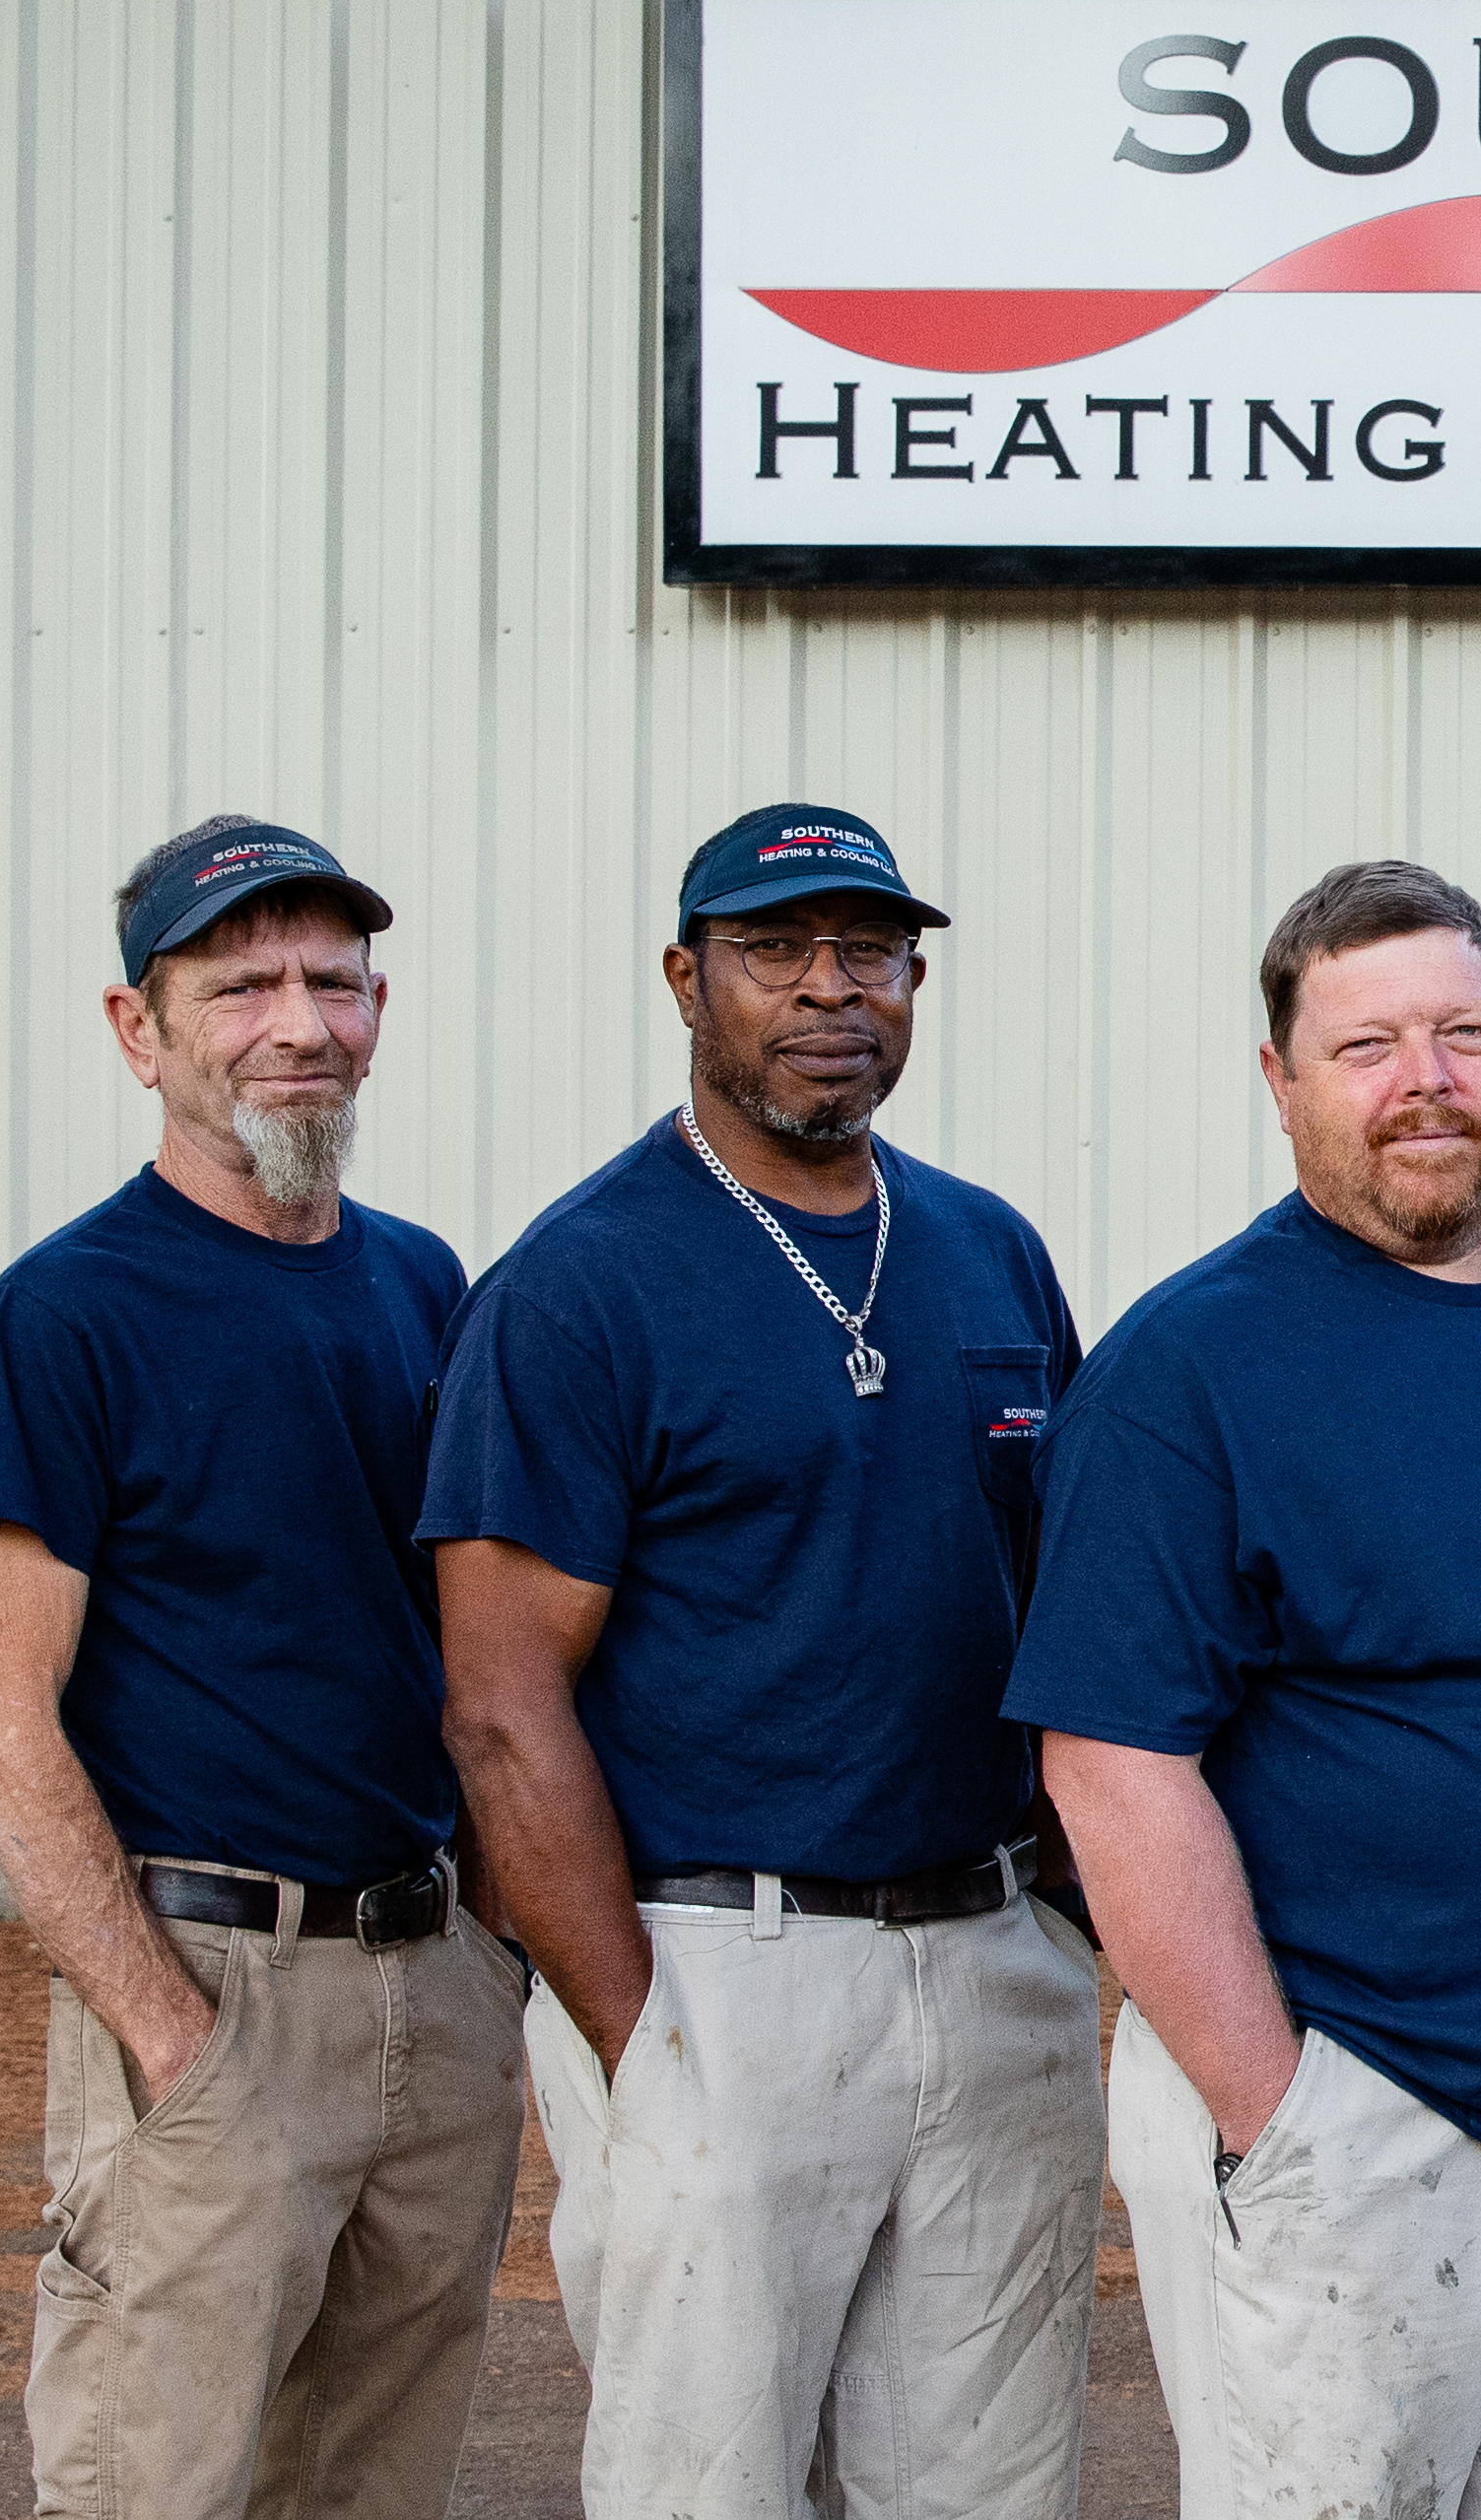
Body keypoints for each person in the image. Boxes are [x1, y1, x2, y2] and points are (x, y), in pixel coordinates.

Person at [1009, 859, 1481, 2519]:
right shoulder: (1188, 1372)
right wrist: (1275, 2122)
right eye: (1366, 1046)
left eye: (1463, 1033)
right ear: (1279, 1083)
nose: (1426, 1080)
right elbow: (1114, 1768)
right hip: (1370, 2105)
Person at [425, 803, 1100, 2520]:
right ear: (686, 978)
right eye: (774, 951)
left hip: (989, 1955)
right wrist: (638, 2049)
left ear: (916, 979)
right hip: (718, 1960)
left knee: (988, 2487)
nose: (828, 991)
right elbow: (503, 1710)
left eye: (868, 951)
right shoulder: (581, 1288)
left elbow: (1070, 1622)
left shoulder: (988, 1251)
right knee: (707, 2490)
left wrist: (1077, 1941)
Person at [0, 815, 523, 2519]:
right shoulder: (68, 1314)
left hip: (435, 1993)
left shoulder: (425, 1286)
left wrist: (486, 1963)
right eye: (242, 981)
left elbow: (469, 1653)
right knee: (155, 2488)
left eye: (331, 981)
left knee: (370, 2489)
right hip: (210, 1990)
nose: (298, 1020)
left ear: (379, 1007)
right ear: (141, 1029)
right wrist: (167, 2040)